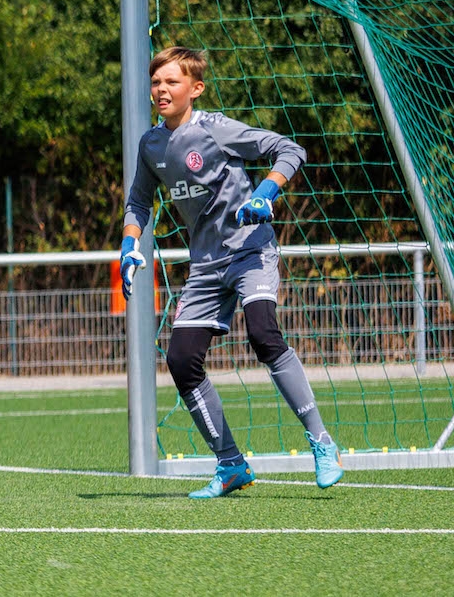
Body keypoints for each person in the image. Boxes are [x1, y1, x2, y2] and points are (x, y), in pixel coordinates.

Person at [120, 46, 344, 498]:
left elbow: (289, 149)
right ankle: (231, 465)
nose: (161, 90)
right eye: (156, 82)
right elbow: (139, 202)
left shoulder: (216, 130)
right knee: (181, 361)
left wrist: (265, 193)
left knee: (263, 334)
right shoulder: (151, 145)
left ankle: (322, 441)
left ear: (195, 89)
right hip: (205, 266)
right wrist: (128, 245)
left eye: (172, 82)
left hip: (249, 251)